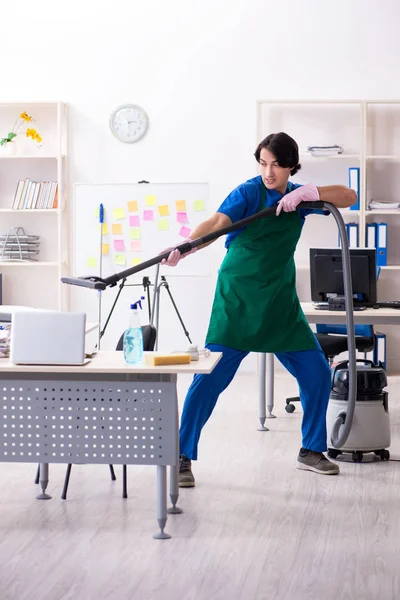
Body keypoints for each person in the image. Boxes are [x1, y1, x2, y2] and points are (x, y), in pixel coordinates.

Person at [162, 132, 357, 487]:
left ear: (291, 166)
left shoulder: (299, 199)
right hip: (238, 296)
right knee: (209, 379)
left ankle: (311, 450)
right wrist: (187, 245)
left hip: (279, 300)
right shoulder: (249, 192)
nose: (269, 172)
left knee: (315, 374)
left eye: (277, 165)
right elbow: (218, 224)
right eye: (264, 163)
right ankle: (181, 456)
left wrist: (309, 193)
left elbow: (350, 197)